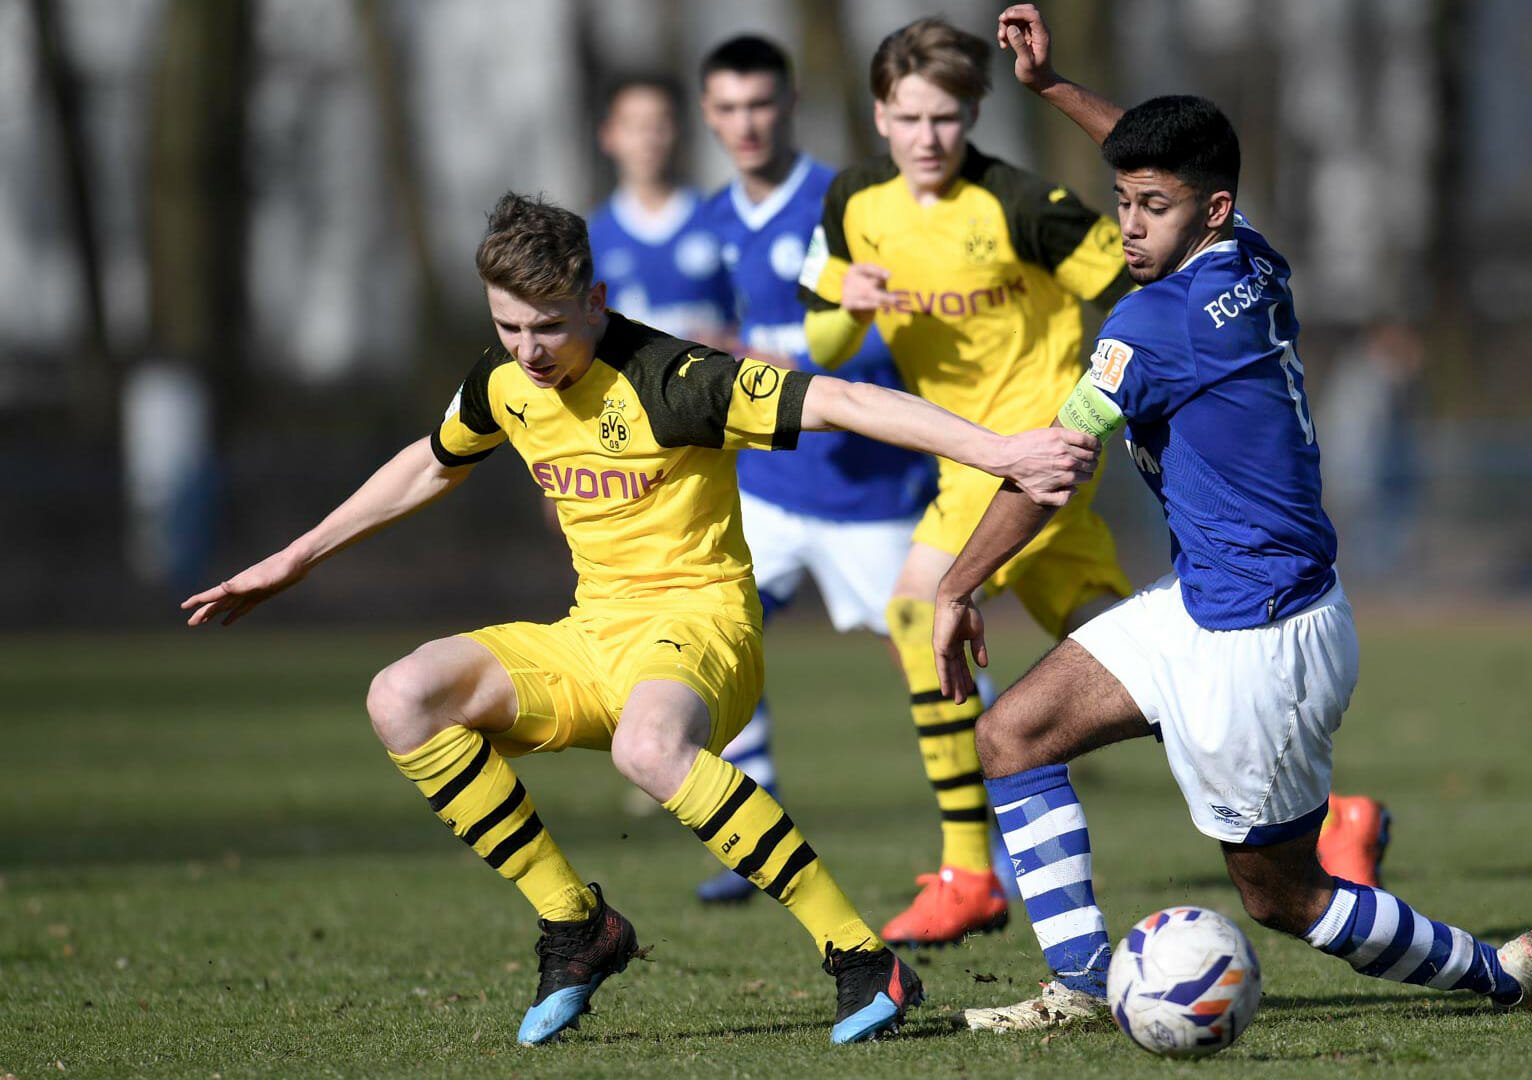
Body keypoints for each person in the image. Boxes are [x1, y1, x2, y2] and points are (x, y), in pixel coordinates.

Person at [181, 192, 1100, 1046]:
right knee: (401, 696)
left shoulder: (675, 379)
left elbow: (847, 401)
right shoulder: (505, 380)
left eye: (548, 325)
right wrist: (293, 559)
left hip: (703, 633)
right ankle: (576, 924)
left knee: (646, 750)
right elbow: (430, 462)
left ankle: (863, 960)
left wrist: (1002, 451)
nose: (527, 350)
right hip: (593, 637)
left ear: (596, 299)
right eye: (506, 327)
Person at [935, 6, 1532, 1032]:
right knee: (1013, 734)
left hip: (1262, 642)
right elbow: (1160, 155)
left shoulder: (1154, 326)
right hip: (1208, 602)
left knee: (1282, 899)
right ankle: (1085, 986)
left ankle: (1501, 977)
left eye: (1152, 208)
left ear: (1211, 210)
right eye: (1122, 202)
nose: (1130, 224)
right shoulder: (1250, 259)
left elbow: (1050, 470)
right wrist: (1053, 88)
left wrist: (955, 586)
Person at [793, 14, 1136, 949]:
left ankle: (969, 873)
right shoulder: (853, 204)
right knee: (1141, 661)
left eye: (945, 117)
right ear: (878, 116)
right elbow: (820, 346)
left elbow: (1142, 285)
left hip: (1040, 453)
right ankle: (1330, 816)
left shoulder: (1024, 204)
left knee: (917, 612)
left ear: (975, 110)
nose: (927, 138)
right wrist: (844, 307)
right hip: (970, 460)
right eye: (908, 118)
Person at [685, 34, 942, 905]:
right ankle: (748, 819)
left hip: (867, 493)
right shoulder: (712, 222)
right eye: (727, 108)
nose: (745, 123)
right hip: (764, 488)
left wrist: (764, 351)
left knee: (941, 661)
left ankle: (1000, 835)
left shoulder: (851, 202)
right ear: (710, 116)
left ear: (789, 103)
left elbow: (887, 330)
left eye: (760, 104)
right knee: (707, 637)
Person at [588, 74, 729, 342]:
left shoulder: (719, 220)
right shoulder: (592, 237)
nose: (647, 139)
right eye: (633, 126)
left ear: (678, 130)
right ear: (608, 135)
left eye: (658, 124)